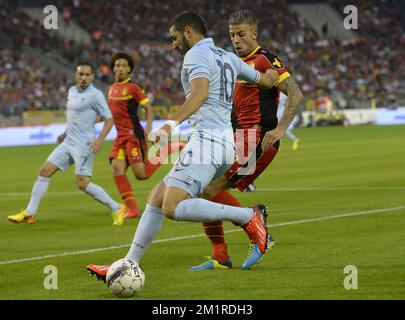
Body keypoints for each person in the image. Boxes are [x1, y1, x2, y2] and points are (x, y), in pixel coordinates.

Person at [87, 11, 281, 281]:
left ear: (189, 31)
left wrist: (169, 125)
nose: (173, 45)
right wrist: (273, 74)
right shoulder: (227, 57)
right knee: (156, 199)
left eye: (175, 38)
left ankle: (249, 216)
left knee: (172, 206)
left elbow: (200, 94)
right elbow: (266, 80)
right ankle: (128, 262)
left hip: (207, 142)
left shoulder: (196, 55)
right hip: (225, 143)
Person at [190, 9, 303, 270]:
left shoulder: (265, 60)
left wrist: (281, 129)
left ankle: (254, 228)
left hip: (259, 139)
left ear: (254, 33)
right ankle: (222, 254)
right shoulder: (233, 62)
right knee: (202, 188)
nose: (236, 39)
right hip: (236, 137)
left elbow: (295, 94)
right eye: (232, 35)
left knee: (209, 190)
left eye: (241, 34)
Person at [7, 62, 126, 225]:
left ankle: (116, 207)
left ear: (92, 77)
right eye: (80, 74)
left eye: (87, 75)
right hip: (68, 141)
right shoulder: (71, 91)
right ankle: (30, 212)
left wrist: (99, 140)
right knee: (44, 171)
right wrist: (64, 133)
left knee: (82, 183)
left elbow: (109, 118)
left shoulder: (95, 95)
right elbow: (75, 117)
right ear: (76, 75)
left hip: (84, 145)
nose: (83, 78)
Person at [107, 52, 184, 219]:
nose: (120, 68)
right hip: (119, 137)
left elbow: (148, 108)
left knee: (141, 175)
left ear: (129, 70)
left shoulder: (133, 88)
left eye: (123, 66)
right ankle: (133, 209)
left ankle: (167, 150)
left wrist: (149, 129)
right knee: (116, 168)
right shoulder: (111, 89)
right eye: (117, 65)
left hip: (133, 135)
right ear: (113, 69)